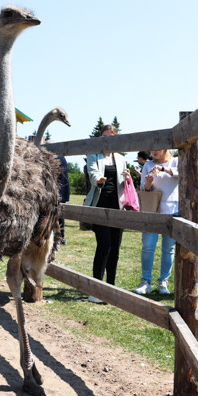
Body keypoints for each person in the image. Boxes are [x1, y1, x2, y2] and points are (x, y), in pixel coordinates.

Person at [83, 124, 130, 303]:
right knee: (105, 246)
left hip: (118, 207)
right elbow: (93, 174)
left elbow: (123, 182)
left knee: (115, 249)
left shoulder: (120, 158)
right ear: (100, 138)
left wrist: (126, 177)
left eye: (111, 136)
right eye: (104, 136)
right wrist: (99, 180)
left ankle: (110, 288)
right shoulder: (93, 154)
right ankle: (95, 290)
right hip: (99, 206)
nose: (108, 140)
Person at [134, 149, 180, 295]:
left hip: (172, 210)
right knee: (148, 246)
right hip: (152, 210)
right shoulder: (147, 165)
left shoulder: (176, 161)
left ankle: (163, 282)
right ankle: (145, 281)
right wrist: (148, 182)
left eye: (157, 148)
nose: (153, 151)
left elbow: (180, 174)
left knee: (168, 249)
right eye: (152, 149)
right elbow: (144, 189)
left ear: (166, 148)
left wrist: (163, 169)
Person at [58, 156, 70, 244]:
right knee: (60, 215)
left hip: (58, 190)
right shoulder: (62, 158)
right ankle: (61, 236)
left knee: (59, 215)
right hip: (61, 190)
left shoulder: (59, 158)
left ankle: (61, 236)